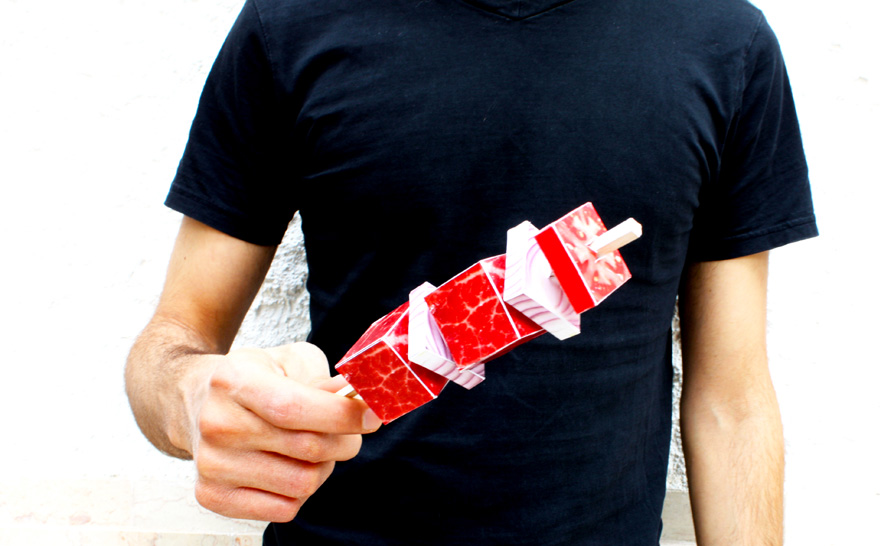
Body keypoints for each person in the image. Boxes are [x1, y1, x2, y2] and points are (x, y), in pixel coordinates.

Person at [126, 0, 817, 544]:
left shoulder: (725, 41)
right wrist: (192, 396)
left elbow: (733, 401)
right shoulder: (291, 22)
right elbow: (174, 340)